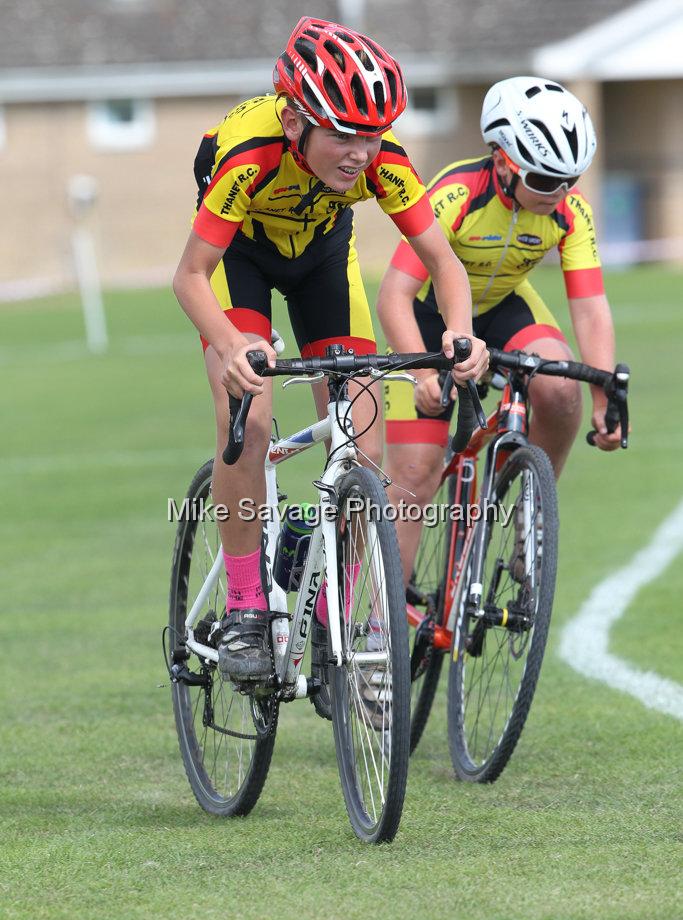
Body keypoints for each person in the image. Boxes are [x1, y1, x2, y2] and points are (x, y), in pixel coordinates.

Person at [172, 17, 488, 686]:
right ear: (293, 122)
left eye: (371, 136)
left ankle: (331, 614)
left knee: (362, 444)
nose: (359, 153)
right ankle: (244, 608)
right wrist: (231, 346)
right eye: (343, 135)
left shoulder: (385, 163)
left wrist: (458, 329)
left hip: (320, 258)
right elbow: (191, 274)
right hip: (239, 260)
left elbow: (444, 262)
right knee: (248, 419)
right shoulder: (249, 154)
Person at [379, 76, 624, 585]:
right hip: (427, 318)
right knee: (413, 478)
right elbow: (394, 296)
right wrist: (423, 372)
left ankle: (530, 514)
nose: (557, 195)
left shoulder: (569, 212)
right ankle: (384, 633)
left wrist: (603, 397)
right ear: (502, 160)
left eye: (569, 181)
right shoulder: (454, 194)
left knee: (560, 388)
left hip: (502, 307)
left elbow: (592, 309)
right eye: (543, 180)